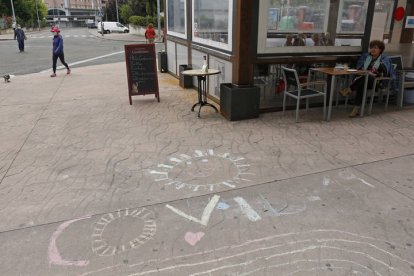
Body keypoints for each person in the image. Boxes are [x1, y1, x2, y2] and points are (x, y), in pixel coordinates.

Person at [340, 40, 394, 117]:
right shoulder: (367, 57)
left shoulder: (384, 59)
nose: (373, 49)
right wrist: (365, 72)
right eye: (371, 47)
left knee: (366, 78)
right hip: (363, 80)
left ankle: (349, 89)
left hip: (376, 82)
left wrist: (371, 73)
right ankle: (356, 108)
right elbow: (360, 68)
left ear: (380, 49)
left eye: (375, 48)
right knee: (363, 82)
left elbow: (384, 72)